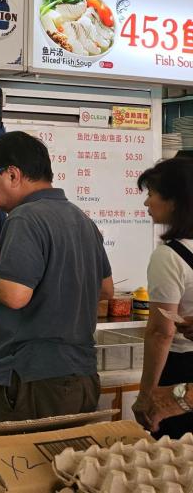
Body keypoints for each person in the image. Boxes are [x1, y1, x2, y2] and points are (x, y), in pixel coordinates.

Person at [0, 131, 114, 422]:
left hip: (34, 380)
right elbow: (106, 289)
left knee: (24, 465)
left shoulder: (25, 218)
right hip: (81, 374)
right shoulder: (80, 218)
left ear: (12, 174)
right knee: (66, 464)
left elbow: (14, 294)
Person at [130, 158, 193, 437]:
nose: (146, 203)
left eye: (151, 194)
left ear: (175, 202)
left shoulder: (169, 256)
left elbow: (160, 332)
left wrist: (146, 395)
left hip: (181, 369)